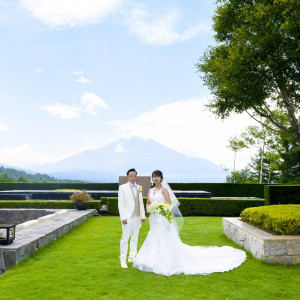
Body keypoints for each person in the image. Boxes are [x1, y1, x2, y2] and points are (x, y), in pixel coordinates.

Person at [132, 170, 246, 276]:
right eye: (154, 176)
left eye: (157, 176)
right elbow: (148, 203)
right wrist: (150, 209)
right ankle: (152, 259)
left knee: (164, 237)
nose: (155, 178)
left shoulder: (164, 190)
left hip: (162, 218)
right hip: (154, 219)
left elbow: (169, 204)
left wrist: (161, 209)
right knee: (154, 236)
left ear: (161, 178)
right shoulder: (150, 190)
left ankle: (166, 260)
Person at [118, 168, 146, 268]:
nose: (133, 177)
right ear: (127, 177)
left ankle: (132, 257)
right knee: (125, 239)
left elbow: (141, 203)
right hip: (128, 218)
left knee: (135, 239)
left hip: (137, 217)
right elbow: (120, 204)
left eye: (134, 175)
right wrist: (123, 218)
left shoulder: (139, 187)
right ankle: (123, 260)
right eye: (131, 176)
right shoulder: (122, 188)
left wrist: (143, 216)